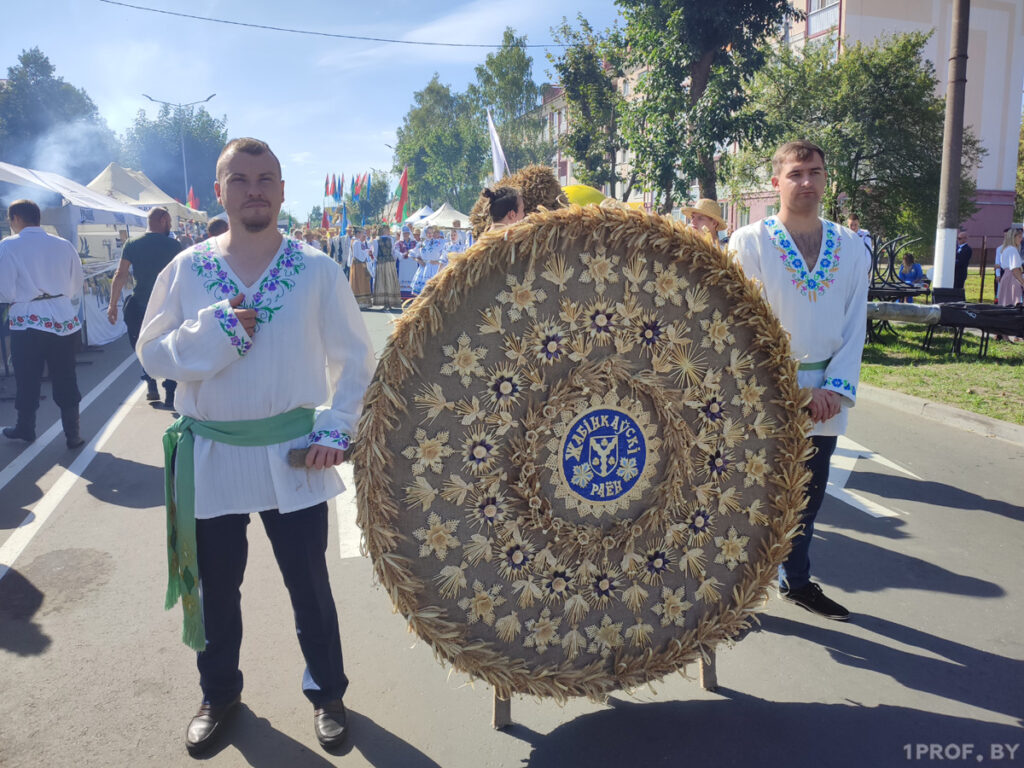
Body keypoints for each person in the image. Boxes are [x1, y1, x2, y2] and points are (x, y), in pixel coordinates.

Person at [137, 138, 375, 754]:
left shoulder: (316, 270)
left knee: (309, 587)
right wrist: (211, 333)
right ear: (220, 191)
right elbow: (151, 352)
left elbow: (355, 358)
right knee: (216, 590)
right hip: (213, 455)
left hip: (292, 452)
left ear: (282, 191)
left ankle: (328, 693)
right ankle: (219, 694)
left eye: (266, 178)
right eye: (239, 179)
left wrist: (335, 429)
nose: (254, 190)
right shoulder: (187, 270)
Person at [731, 140, 869, 622]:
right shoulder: (750, 242)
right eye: (796, 173)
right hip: (764, 396)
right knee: (753, 499)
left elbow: (855, 323)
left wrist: (833, 390)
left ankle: (798, 581)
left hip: (827, 399)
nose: (807, 181)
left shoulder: (850, 247)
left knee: (806, 501)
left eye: (815, 172)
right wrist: (792, 391)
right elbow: (743, 327)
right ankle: (735, 599)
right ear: (776, 182)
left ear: (826, 178)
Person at [0, 199, 86, 448]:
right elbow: (76, 283)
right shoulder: (63, 244)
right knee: (65, 375)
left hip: (28, 321)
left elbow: (5, 290)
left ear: (16, 218)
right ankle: (73, 434)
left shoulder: (8, 245)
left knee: (27, 377)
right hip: (63, 319)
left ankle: (26, 427)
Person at [107, 207, 183, 407]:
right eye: (170, 222)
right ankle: (170, 392)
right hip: (167, 304)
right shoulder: (174, 245)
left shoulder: (132, 244)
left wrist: (112, 304)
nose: (171, 226)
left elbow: (120, 274)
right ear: (164, 220)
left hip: (141, 302)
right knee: (169, 346)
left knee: (143, 344)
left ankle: (150, 383)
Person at [411, 226, 447, 294]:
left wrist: (438, 262)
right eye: (428, 233)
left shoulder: (439, 243)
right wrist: (419, 261)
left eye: (431, 232)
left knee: (435, 290)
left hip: (435, 268)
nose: (430, 234)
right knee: (423, 291)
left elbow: (445, 254)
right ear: (424, 233)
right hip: (424, 269)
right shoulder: (421, 244)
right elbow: (412, 254)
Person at [372, 224, 400, 309]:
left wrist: (377, 260)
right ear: (385, 230)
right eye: (387, 229)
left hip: (381, 262)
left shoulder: (376, 240)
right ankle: (390, 302)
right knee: (390, 281)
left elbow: (375, 253)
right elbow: (392, 251)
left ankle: (384, 302)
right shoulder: (391, 239)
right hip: (390, 262)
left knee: (382, 282)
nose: (388, 231)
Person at [995, 227, 1024, 307]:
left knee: (1006, 302)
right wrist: (1022, 282)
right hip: (1012, 278)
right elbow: (1015, 269)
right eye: (1019, 237)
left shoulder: (1006, 249)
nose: (1021, 239)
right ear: (1013, 237)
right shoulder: (1012, 250)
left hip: (1007, 277)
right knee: (1012, 303)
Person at [349, 228, 373, 308]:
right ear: (358, 233)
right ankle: (361, 303)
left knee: (359, 282)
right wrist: (367, 253)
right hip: (359, 265)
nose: (363, 235)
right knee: (360, 282)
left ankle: (360, 303)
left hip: (357, 264)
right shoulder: (357, 242)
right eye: (362, 233)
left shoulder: (354, 241)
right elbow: (358, 255)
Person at [953, 229, 972, 295]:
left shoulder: (967, 249)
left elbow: (962, 262)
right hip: (953, 273)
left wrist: (953, 263)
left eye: (960, 238)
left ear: (965, 239)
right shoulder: (956, 247)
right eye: (958, 238)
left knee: (958, 290)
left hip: (960, 274)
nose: (958, 240)